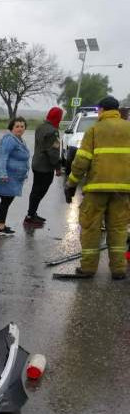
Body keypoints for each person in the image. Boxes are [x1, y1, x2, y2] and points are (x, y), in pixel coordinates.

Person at [63, 95, 130, 280]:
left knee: (91, 228)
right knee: (118, 229)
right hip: (123, 191)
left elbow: (81, 160)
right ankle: (118, 270)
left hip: (96, 189)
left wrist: (71, 183)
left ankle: (88, 269)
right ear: (117, 111)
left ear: (101, 110)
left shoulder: (94, 130)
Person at [0, 117, 30, 236]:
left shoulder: (19, 140)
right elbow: (3, 157)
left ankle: (0, 224)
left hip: (15, 177)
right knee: (5, 201)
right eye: (17, 126)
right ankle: (0, 228)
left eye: (22, 126)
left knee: (6, 201)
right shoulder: (10, 139)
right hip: (7, 177)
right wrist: (2, 174)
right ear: (12, 127)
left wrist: (25, 172)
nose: (20, 128)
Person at [25, 107, 63, 225]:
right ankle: (30, 216)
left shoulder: (40, 127)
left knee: (35, 190)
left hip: (37, 163)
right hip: (45, 166)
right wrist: (57, 166)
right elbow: (53, 152)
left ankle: (32, 213)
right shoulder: (53, 131)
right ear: (58, 118)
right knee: (40, 191)